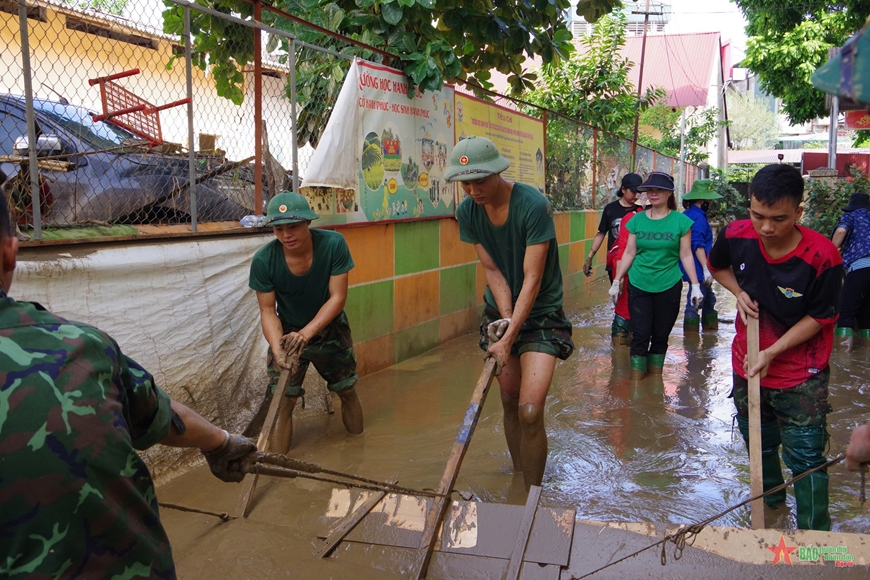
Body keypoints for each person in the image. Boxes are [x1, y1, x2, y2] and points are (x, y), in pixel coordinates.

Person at [0, 193, 257, 578]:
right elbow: (159, 414)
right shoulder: (83, 345)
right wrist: (220, 442)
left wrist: (220, 442)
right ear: (10, 252)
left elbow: (157, 413)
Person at [708, 163, 843, 531]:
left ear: (799, 212)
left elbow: (821, 316)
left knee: (807, 458)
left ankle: (816, 538)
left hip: (801, 374)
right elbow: (716, 265)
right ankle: (770, 512)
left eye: (779, 219)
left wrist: (772, 352)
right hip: (746, 364)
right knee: (760, 446)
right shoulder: (737, 235)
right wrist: (737, 292)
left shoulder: (823, 256)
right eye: (758, 216)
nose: (766, 228)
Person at [445, 136, 574, 490]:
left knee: (530, 411)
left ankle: (532, 496)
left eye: (480, 180)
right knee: (508, 398)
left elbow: (532, 278)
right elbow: (493, 270)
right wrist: (503, 324)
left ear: (498, 173)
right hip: (502, 310)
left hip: (542, 314)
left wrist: (512, 335)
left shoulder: (533, 205)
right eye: (465, 183)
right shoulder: (467, 212)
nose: (473, 190)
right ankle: (519, 481)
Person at [248, 191, 364, 454]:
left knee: (346, 389)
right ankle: (279, 465)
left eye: (293, 227)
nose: (286, 235)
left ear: (307, 223)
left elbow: (338, 298)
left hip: (328, 327)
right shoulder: (264, 260)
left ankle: (359, 451)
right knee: (283, 400)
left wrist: (308, 333)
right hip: (288, 333)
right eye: (279, 229)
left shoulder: (334, 244)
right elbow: (268, 311)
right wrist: (278, 349)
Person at [610, 172, 703, 378]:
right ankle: (637, 388)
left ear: (669, 193)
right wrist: (617, 281)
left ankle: (655, 387)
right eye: (650, 190)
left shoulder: (681, 222)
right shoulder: (637, 221)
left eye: (659, 190)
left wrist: (695, 285)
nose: (654, 194)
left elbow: (686, 254)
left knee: (660, 336)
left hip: (669, 285)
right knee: (640, 336)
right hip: (639, 284)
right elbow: (629, 252)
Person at [679, 179, 721, 333]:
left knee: (709, 300)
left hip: (692, 265)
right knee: (695, 301)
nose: (711, 203)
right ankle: (691, 343)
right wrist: (705, 268)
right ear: (702, 201)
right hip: (697, 266)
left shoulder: (688, 214)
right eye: (709, 200)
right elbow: (697, 245)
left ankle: (709, 335)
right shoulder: (698, 218)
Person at [584, 173, 643, 281]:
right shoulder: (610, 209)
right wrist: (590, 257)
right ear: (623, 189)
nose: (636, 196)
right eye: (633, 192)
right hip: (615, 260)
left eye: (638, 192)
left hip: (636, 262)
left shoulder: (641, 211)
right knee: (617, 295)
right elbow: (601, 233)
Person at [831, 192, 870, 351]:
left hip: (860, 268)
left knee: (846, 312)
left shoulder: (852, 216)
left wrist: (831, 252)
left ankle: (844, 361)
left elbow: (840, 232)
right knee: (866, 315)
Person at [608, 192, 648, 345]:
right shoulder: (633, 219)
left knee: (626, 311)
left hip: (630, 273)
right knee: (627, 311)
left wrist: (618, 279)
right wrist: (619, 279)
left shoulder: (631, 218)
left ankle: (620, 358)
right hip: (631, 273)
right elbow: (623, 251)